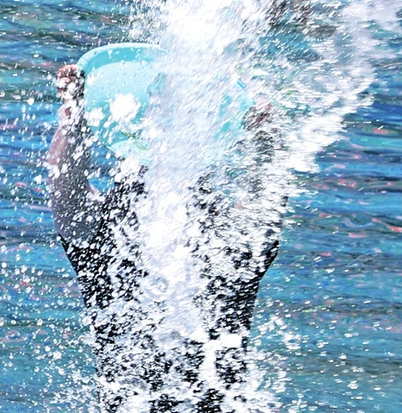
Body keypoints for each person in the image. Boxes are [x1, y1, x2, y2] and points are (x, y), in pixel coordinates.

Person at [46, 61, 285, 412]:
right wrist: (73, 114)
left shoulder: (224, 228)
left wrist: (266, 139)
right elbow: (66, 185)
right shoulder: (107, 224)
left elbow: (266, 207)